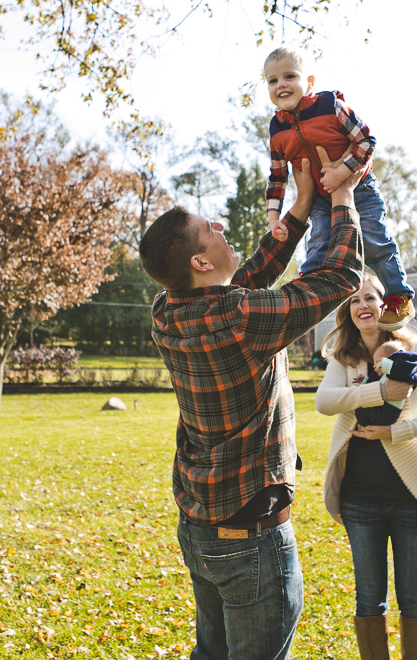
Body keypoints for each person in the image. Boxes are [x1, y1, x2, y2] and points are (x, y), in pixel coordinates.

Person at [139, 149, 365, 660]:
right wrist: (345, 197)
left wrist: (302, 207)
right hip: (250, 541)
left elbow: (244, 280)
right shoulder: (239, 318)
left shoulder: (167, 310)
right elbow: (341, 276)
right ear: (200, 261)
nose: (220, 225)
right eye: (210, 229)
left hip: (201, 527)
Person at [315, 275, 417, 660]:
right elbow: (324, 402)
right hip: (359, 501)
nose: (362, 305)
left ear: (387, 305)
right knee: (369, 601)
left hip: (413, 498)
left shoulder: (415, 350)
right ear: (348, 312)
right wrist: (379, 391)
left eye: (371, 297)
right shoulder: (344, 357)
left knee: (414, 601)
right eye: (354, 300)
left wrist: (397, 431)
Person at [262, 45, 416, 331]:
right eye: (272, 80)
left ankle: (399, 294)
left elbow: (367, 142)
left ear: (309, 82)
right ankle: (303, 298)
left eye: (289, 76)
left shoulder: (330, 105)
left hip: (360, 188)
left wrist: (341, 173)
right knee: (319, 242)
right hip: (321, 196)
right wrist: (273, 218)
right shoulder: (276, 129)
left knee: (372, 241)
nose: (281, 84)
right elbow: (277, 176)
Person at [353, 341, 417, 428]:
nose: (374, 366)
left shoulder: (399, 372)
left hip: (389, 412)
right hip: (382, 408)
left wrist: (386, 365)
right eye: (374, 363)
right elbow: (375, 386)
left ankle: (365, 427)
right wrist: (364, 381)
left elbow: (406, 371)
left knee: (361, 412)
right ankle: (365, 427)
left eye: (378, 362)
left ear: (391, 359)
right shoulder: (385, 375)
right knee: (361, 410)